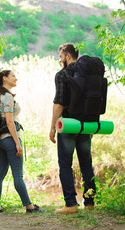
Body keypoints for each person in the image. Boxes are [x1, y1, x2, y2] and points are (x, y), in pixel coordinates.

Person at [49, 43, 96, 214]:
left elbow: (59, 103)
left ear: (68, 55)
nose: (60, 59)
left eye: (61, 56)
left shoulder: (63, 74)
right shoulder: (89, 74)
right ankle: (89, 202)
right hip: (86, 125)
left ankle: (71, 204)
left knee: (65, 165)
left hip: (68, 124)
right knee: (86, 163)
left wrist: (53, 127)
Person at [0, 70, 43, 213]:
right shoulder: (7, 96)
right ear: (5, 78)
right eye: (13, 76)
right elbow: (9, 121)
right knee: (18, 175)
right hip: (9, 139)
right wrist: (17, 143)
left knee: (0, 174)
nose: (16, 78)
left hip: (0, 140)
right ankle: (29, 206)